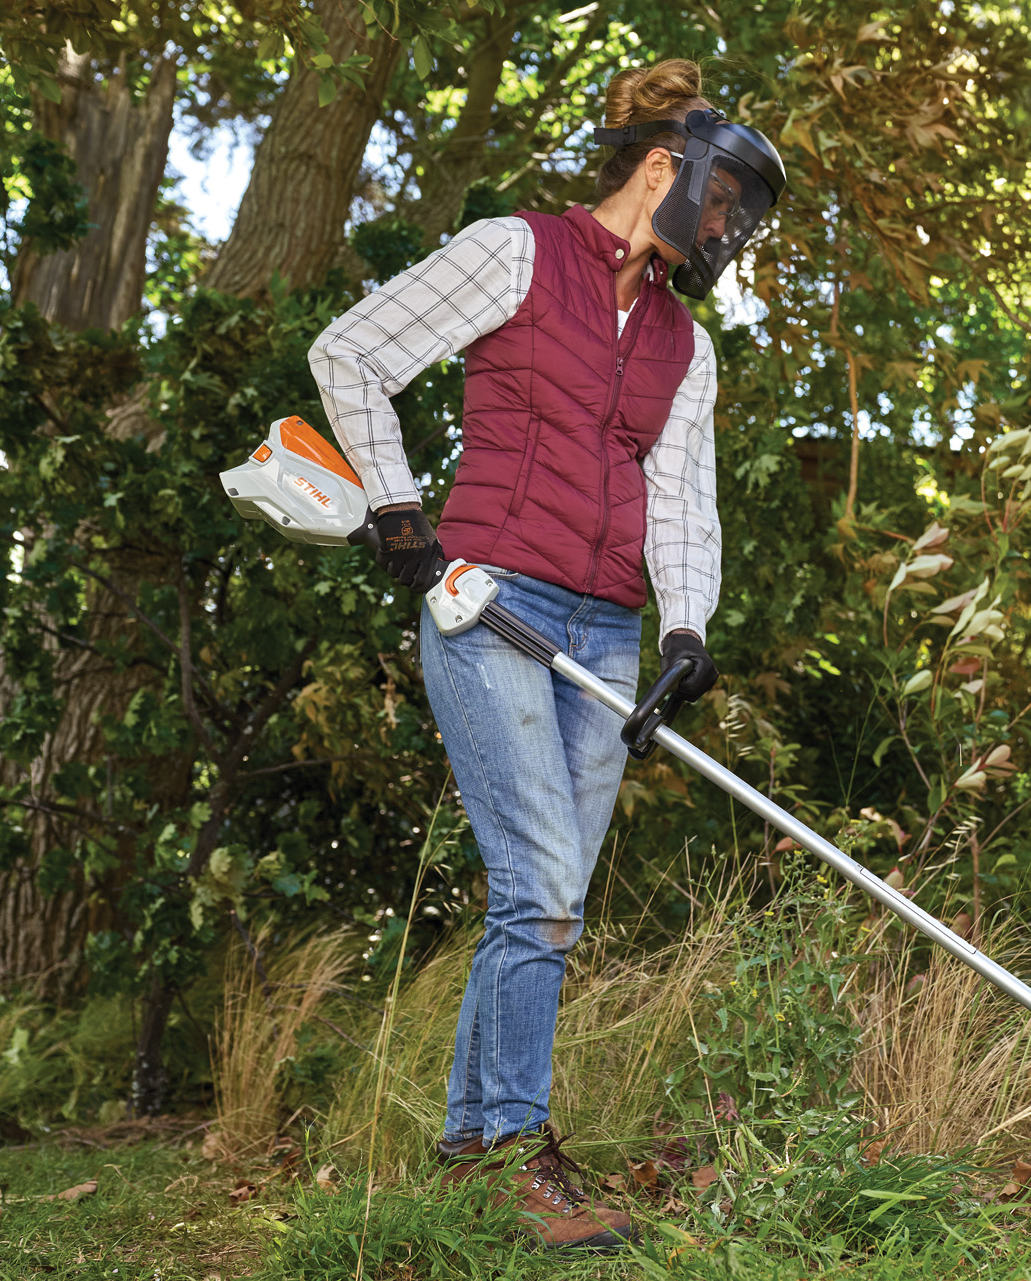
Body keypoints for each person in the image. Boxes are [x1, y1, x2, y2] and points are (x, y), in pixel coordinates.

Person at [308, 59, 785, 1251]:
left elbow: (681, 505)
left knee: (544, 904)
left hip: (605, 631)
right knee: (543, 888)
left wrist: (685, 632)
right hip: (485, 601)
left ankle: (472, 1155)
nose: (728, 229)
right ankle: (521, 1153)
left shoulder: (689, 346)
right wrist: (405, 521)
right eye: (725, 200)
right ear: (668, 166)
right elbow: (353, 354)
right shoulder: (514, 252)